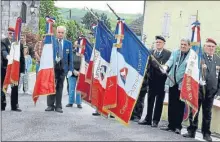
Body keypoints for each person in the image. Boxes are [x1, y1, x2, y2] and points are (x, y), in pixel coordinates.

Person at [182, 38, 220, 142]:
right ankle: (191, 131)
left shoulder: (218, 59)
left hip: (211, 92)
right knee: (194, 111)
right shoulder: (198, 57)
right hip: (198, 90)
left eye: (212, 47)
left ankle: (206, 133)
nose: (211, 48)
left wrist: (218, 91)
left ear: (215, 48)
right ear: (204, 47)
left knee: (207, 114)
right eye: (208, 46)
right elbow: (190, 69)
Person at [160, 38, 192, 134]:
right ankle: (171, 125)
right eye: (181, 44)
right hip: (172, 81)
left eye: (185, 45)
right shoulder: (175, 52)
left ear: (189, 46)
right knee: (172, 104)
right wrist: (166, 66)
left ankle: (178, 126)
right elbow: (170, 61)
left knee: (180, 106)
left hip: (183, 84)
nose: (182, 46)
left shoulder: (192, 56)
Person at [138, 36, 171, 127]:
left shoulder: (168, 54)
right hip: (151, 80)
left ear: (163, 44)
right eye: (156, 42)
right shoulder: (151, 52)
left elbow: (168, 67)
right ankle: (148, 119)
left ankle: (155, 120)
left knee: (159, 102)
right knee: (150, 100)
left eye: (160, 42)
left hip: (161, 81)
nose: (158, 44)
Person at [45, 26, 73, 113]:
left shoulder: (68, 43)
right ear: (56, 32)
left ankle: (58, 106)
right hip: (53, 67)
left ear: (64, 33)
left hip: (63, 68)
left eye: (62, 32)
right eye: (59, 32)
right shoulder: (52, 42)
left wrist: (70, 69)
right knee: (51, 85)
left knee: (60, 87)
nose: (60, 34)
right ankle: (50, 105)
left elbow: (70, 58)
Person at [1, 27, 25, 111]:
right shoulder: (3, 42)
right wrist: (7, 56)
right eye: (10, 33)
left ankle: (14, 105)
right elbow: (3, 51)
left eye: (13, 33)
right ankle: (2, 104)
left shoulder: (19, 44)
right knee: (3, 86)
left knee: (15, 87)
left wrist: (22, 70)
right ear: (7, 33)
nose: (11, 35)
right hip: (5, 68)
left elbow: (22, 58)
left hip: (15, 69)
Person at [66, 41, 82, 108]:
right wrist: (73, 70)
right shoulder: (71, 53)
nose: (77, 46)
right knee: (71, 88)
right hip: (72, 72)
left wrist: (80, 72)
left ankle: (79, 103)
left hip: (80, 74)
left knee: (79, 89)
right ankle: (70, 102)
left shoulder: (83, 54)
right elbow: (68, 62)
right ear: (74, 46)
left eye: (79, 45)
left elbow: (85, 64)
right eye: (76, 45)